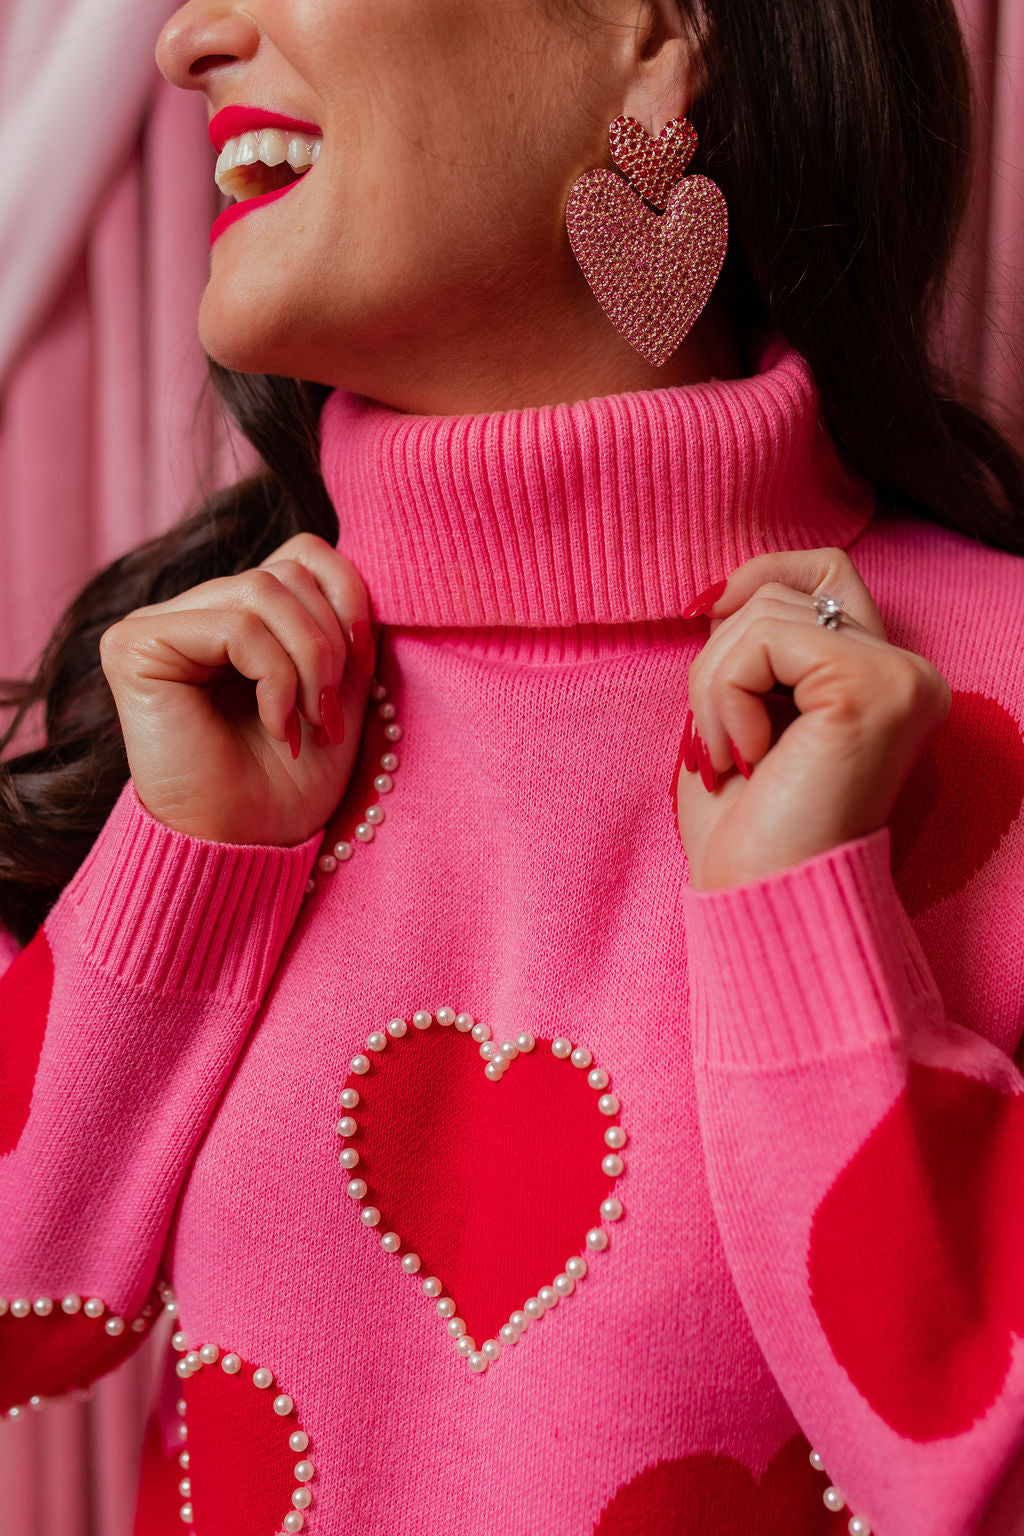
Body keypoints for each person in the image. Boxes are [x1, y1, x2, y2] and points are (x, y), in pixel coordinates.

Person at [1, 0, 1022, 1529]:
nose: (187, 41)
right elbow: (25, 1325)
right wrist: (186, 876)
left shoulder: (985, 699)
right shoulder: (208, 713)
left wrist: (806, 931)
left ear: (652, 29)